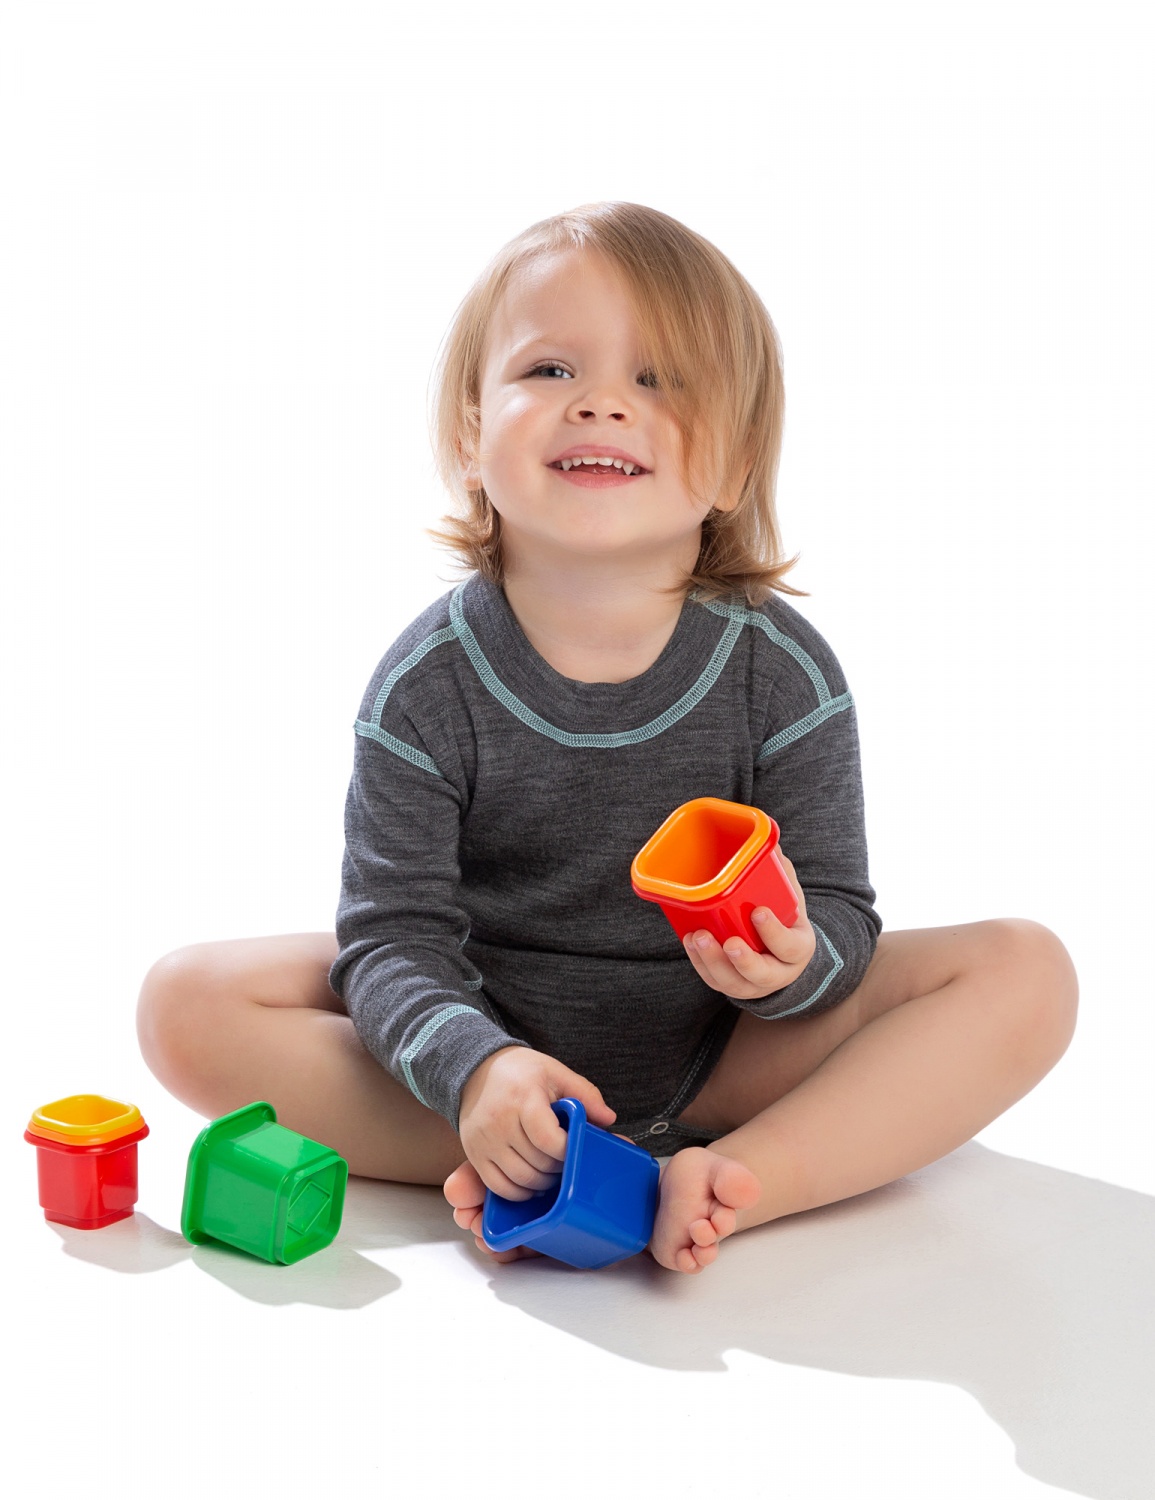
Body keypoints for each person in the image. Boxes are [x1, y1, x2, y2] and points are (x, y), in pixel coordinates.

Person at [136, 202, 1078, 1275]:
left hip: (730, 1058)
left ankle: (742, 1172)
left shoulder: (782, 672)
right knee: (186, 1002)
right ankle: (528, 1140)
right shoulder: (425, 686)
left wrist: (792, 964)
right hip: (491, 1027)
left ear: (733, 465)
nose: (601, 403)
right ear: (469, 438)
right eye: (548, 370)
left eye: (658, 380)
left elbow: (839, 914)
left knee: (1026, 971)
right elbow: (394, 938)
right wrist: (479, 1069)